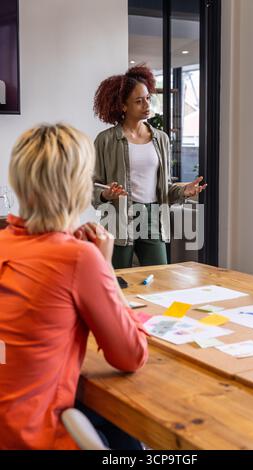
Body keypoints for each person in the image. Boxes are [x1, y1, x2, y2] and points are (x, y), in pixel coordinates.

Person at [0, 124, 148, 450]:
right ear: (78, 187)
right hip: (33, 434)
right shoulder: (78, 258)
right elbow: (131, 356)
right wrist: (104, 266)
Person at [93, 64, 207, 269]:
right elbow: (92, 186)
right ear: (123, 106)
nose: (147, 104)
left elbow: (165, 188)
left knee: (160, 277)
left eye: (147, 98)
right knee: (120, 281)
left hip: (153, 215)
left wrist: (184, 191)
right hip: (118, 218)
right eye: (139, 101)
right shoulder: (106, 140)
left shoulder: (161, 139)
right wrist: (106, 195)